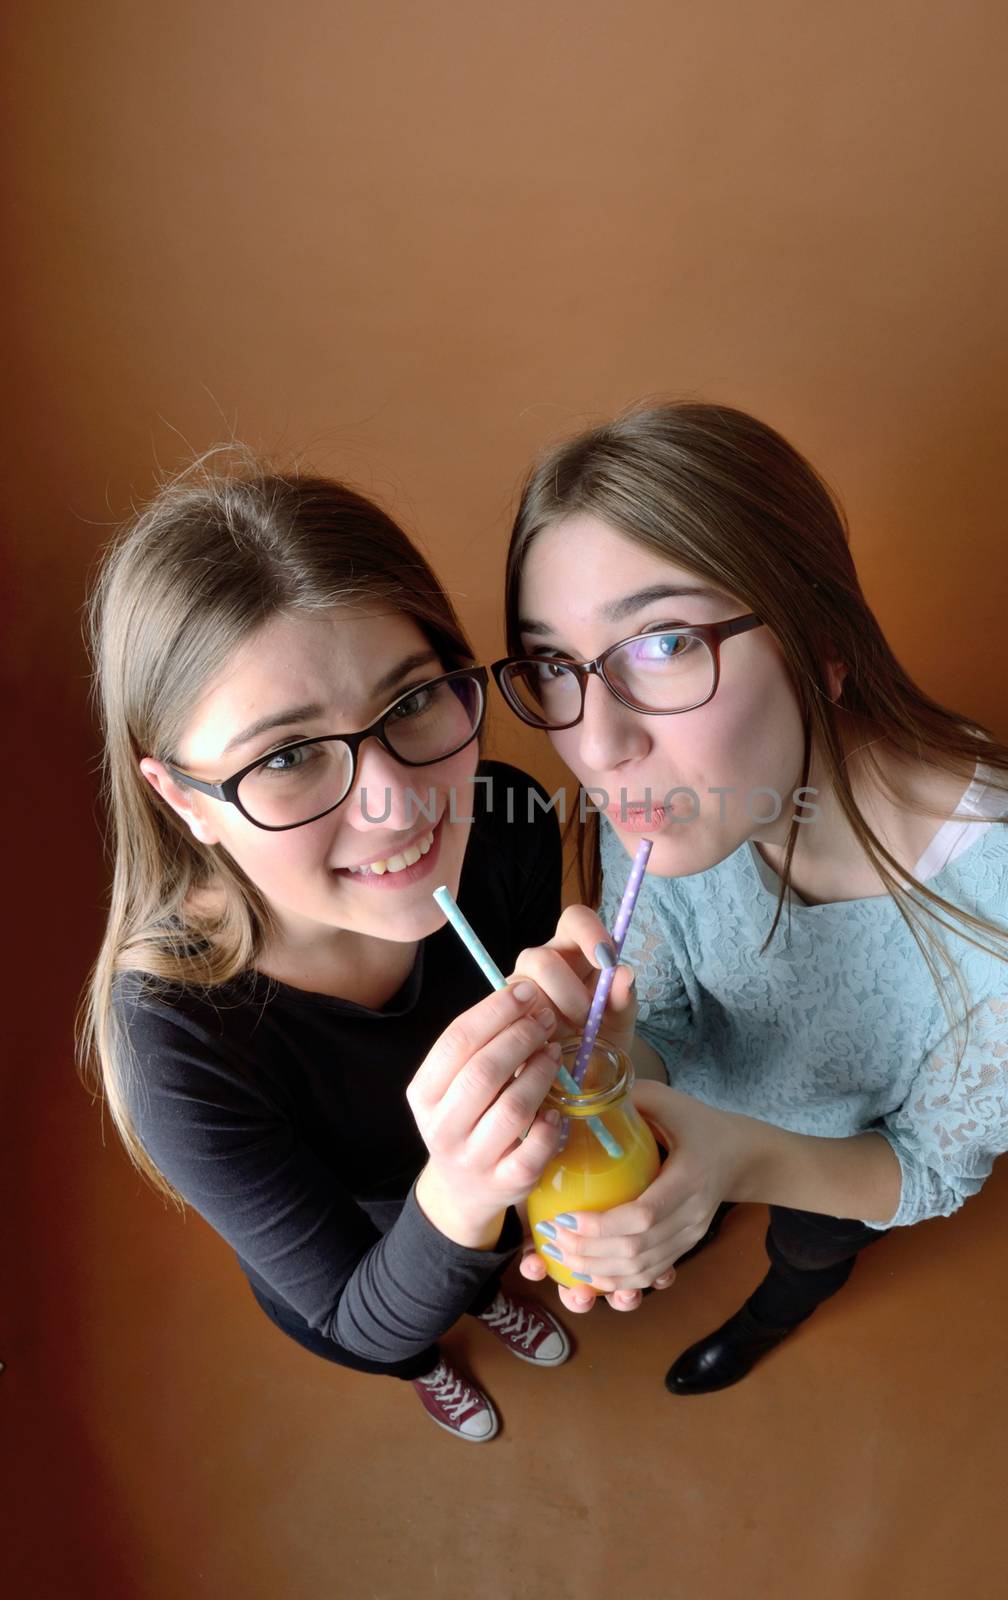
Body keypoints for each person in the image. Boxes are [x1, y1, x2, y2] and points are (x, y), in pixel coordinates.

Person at [493, 400, 1008, 1394]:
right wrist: (612, 1064)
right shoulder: (666, 791)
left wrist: (739, 1164)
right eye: (558, 666)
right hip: (698, 1125)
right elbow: (674, 1019)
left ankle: (769, 1317)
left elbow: (927, 1166)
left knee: (808, 1258)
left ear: (821, 641)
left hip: (839, 1171)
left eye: (663, 644)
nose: (597, 744)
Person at [78, 456, 631, 1442]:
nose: (397, 808)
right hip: (354, 1271)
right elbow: (352, 1313)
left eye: (414, 699)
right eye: (287, 756)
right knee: (407, 1330)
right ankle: (435, 1357)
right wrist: (461, 1193)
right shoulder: (174, 1045)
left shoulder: (503, 821)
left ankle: (481, 1286)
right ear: (179, 798)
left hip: (490, 1210)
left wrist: (587, 1047)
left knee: (476, 1258)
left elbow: (551, 1069)